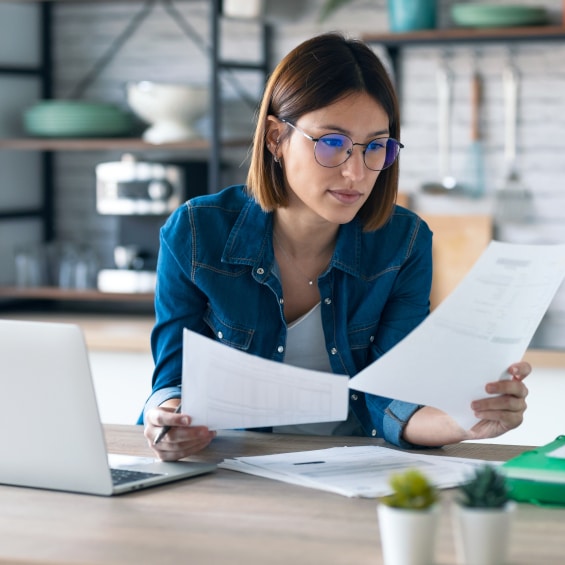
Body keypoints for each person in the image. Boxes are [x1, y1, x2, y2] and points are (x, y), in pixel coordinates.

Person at [141, 33, 530, 461]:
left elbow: (393, 400)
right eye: (332, 143)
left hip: (353, 467)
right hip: (233, 466)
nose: (356, 173)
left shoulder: (404, 242)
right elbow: (173, 382)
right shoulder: (197, 232)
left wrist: (465, 420)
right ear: (275, 138)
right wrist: (170, 421)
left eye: (376, 147)